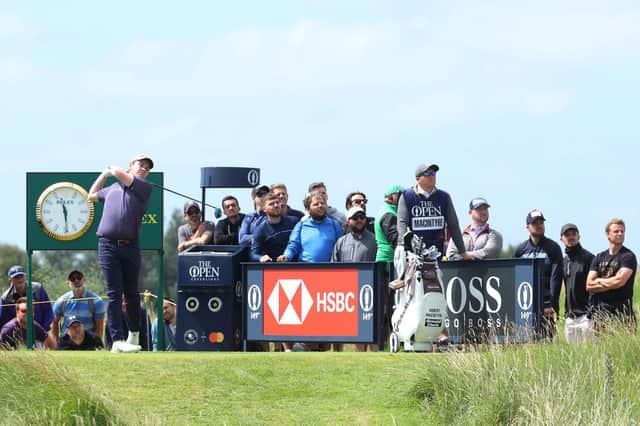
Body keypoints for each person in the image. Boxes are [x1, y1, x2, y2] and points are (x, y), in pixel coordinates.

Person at [87, 153, 154, 353]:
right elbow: (91, 195)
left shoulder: (143, 186)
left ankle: (134, 333)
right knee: (114, 293)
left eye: (147, 167)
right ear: (130, 165)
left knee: (132, 294)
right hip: (107, 245)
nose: (143, 168)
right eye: (140, 164)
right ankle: (116, 340)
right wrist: (103, 175)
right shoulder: (111, 189)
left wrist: (111, 170)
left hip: (130, 246)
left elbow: (117, 172)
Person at [397, 164, 469, 260]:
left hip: (437, 253)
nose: (432, 176)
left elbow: (453, 225)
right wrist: (403, 248)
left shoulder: (444, 197)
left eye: (434, 173)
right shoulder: (407, 196)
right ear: (418, 178)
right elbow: (402, 223)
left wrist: (462, 251)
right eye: (427, 173)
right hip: (413, 255)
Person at [332, 206, 378, 352]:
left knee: (369, 325)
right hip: (345, 292)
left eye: (362, 217)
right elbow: (334, 266)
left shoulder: (374, 240)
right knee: (343, 326)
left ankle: (375, 356)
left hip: (368, 291)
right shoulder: (341, 241)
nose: (359, 220)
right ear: (348, 221)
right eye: (355, 218)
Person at [513, 209, 563, 339]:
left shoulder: (553, 248)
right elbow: (514, 278)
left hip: (546, 303)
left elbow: (555, 278)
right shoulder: (520, 250)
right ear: (528, 227)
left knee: (546, 342)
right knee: (525, 340)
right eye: (535, 223)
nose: (539, 225)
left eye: (541, 222)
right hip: (524, 303)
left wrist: (552, 304)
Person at [586, 218, 637, 329]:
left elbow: (619, 282)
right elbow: (589, 285)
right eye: (616, 231)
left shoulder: (628, 256)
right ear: (608, 234)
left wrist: (599, 280)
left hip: (622, 314)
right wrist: (610, 282)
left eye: (622, 231)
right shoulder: (599, 257)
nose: (620, 234)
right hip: (601, 314)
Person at [280, 191, 343, 263]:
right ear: (308, 209)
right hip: (306, 270)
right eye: (316, 204)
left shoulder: (335, 225)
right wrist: (286, 256)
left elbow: (340, 248)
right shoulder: (301, 226)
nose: (320, 206)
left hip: (330, 271)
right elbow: (293, 245)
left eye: (322, 203)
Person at [559, 223, 595, 342]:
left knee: (590, 354)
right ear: (562, 239)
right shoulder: (564, 261)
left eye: (574, 234)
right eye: (567, 235)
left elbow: (594, 287)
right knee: (574, 357)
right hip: (570, 318)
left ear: (579, 236)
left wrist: (590, 313)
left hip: (586, 316)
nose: (571, 237)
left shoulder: (589, 258)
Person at [51, 270, 106, 342]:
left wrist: (97, 344)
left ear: (84, 280)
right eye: (72, 279)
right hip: (67, 342)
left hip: (88, 342)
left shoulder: (97, 301)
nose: (76, 280)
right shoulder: (61, 301)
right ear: (68, 283)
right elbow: (54, 323)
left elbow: (99, 327)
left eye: (79, 277)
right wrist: (56, 343)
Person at [0, 265, 54, 332]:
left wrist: (43, 332)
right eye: (16, 277)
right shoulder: (6, 298)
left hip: (41, 331)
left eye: (21, 276)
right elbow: (3, 320)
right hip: (18, 335)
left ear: (25, 277)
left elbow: (48, 311)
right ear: (11, 281)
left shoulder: (37, 289)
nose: (20, 280)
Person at [251, 191, 298, 263]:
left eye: (277, 202)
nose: (276, 205)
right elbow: (253, 254)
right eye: (271, 204)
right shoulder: (260, 229)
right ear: (264, 209)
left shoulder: (293, 221)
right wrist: (261, 258)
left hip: (296, 266)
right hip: (274, 269)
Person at [374, 185, 404, 267]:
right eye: (400, 194)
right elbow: (396, 240)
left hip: (389, 262)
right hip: (388, 264)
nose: (403, 197)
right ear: (390, 197)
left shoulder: (388, 211)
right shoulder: (388, 215)